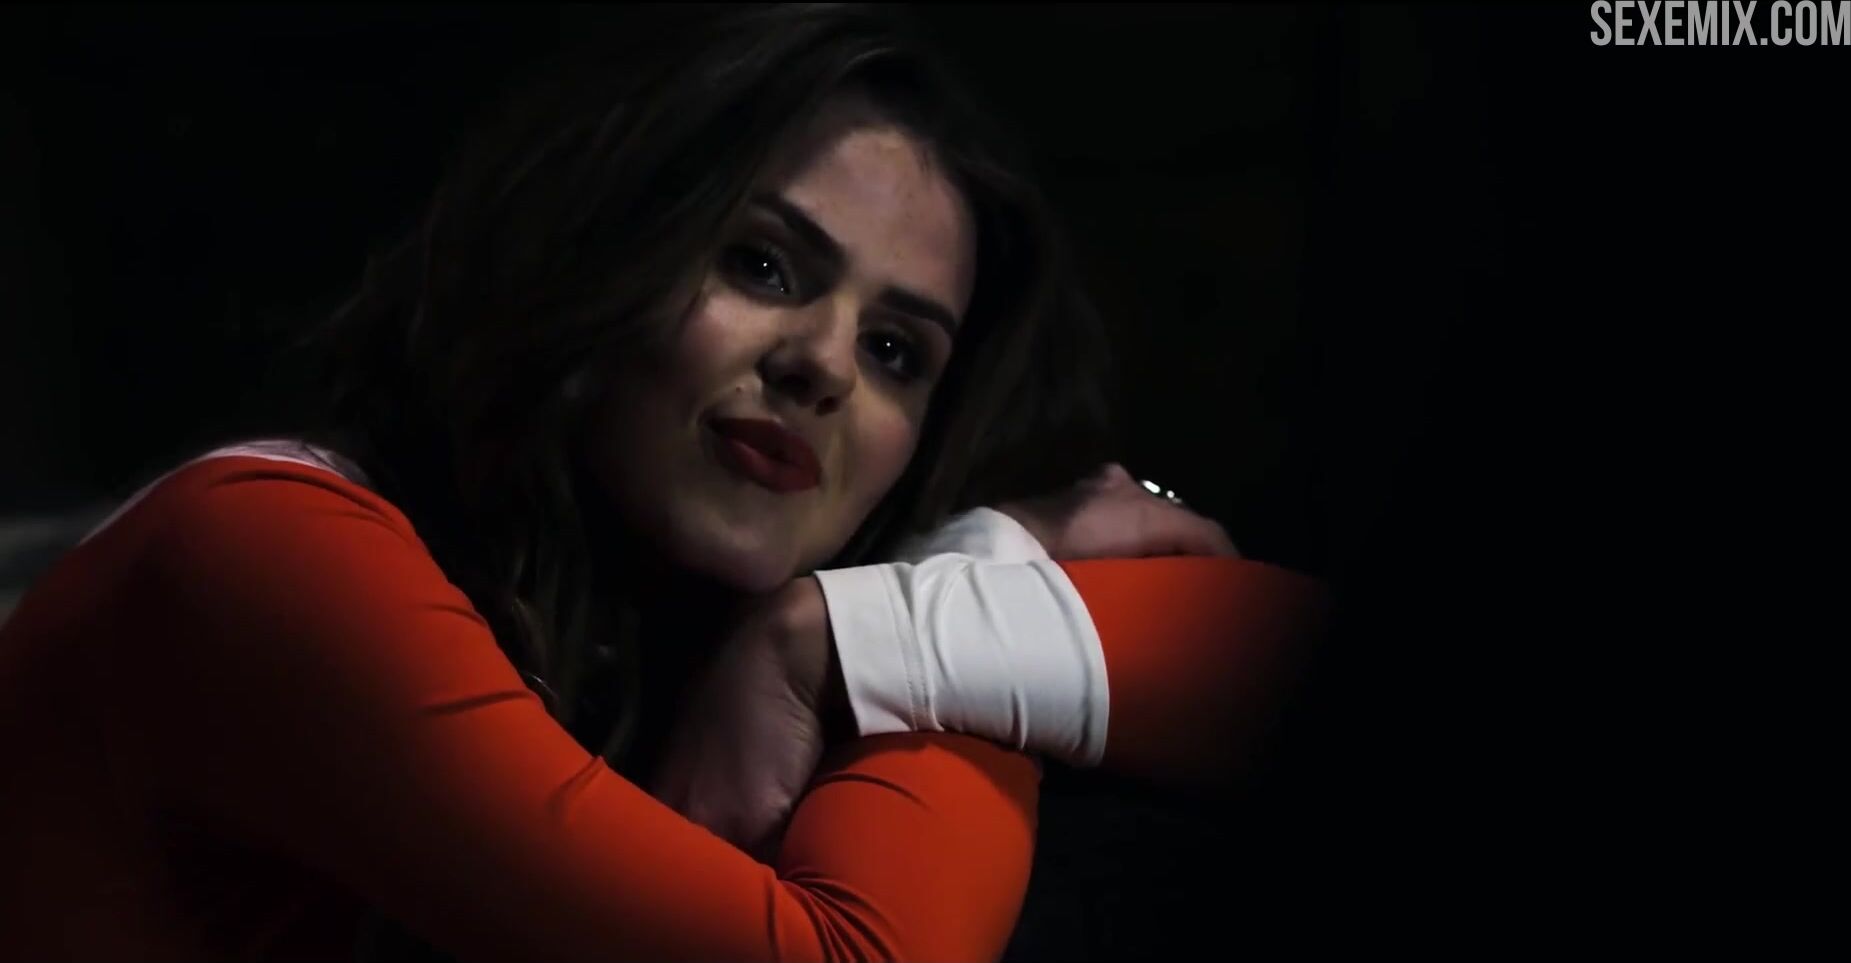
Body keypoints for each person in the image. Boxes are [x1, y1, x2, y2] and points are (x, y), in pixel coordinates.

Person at [0, 5, 1326, 960]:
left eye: (896, 352)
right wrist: (969, 607)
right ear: (601, 247)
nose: (821, 368)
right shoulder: (269, 557)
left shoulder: (685, 623)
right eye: (762, 266)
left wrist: (849, 635)